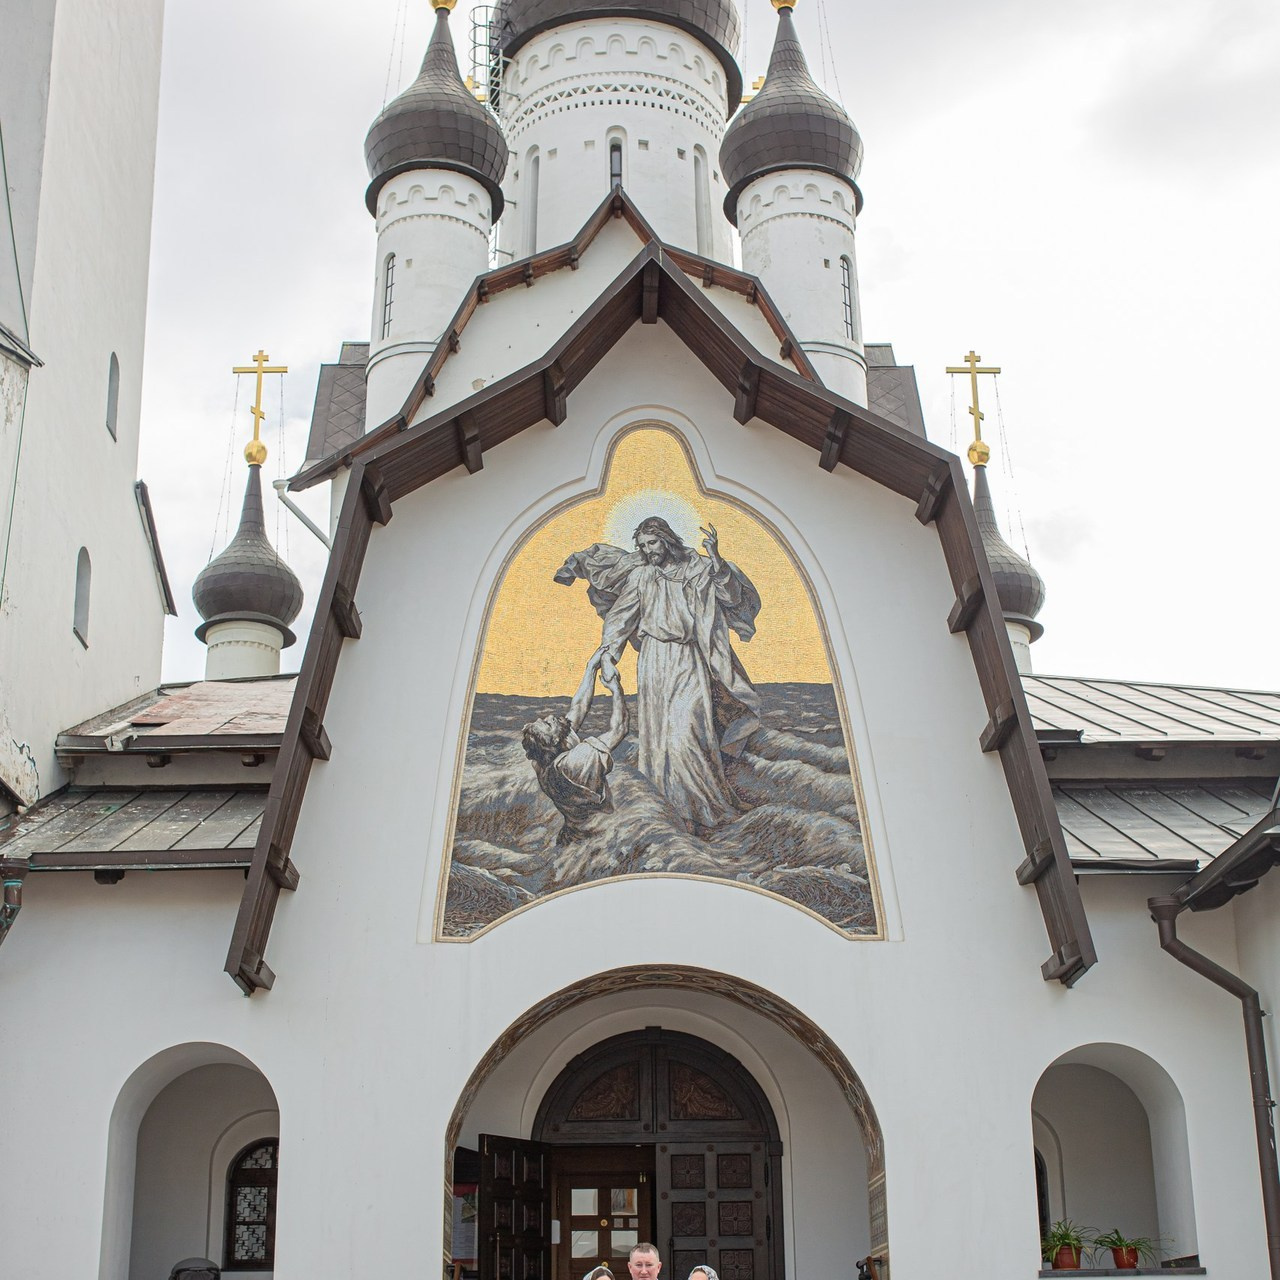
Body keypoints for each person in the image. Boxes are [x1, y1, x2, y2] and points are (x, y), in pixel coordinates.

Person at [555, 517, 761, 832]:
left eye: (652, 543)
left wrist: (716, 558)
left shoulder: (696, 570)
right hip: (653, 661)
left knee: (688, 733)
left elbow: (732, 597)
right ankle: (672, 813)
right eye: (642, 546)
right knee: (660, 740)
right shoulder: (641, 577)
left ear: (666, 539)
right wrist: (609, 653)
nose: (648, 550)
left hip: (688, 658)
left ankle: (706, 807)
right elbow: (620, 617)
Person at [522, 647, 629, 845]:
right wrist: (616, 689)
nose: (549, 717)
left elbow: (578, 708)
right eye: (547, 723)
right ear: (553, 741)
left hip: (571, 835)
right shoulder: (574, 764)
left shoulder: (545, 759)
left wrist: (591, 667)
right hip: (595, 838)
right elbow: (620, 729)